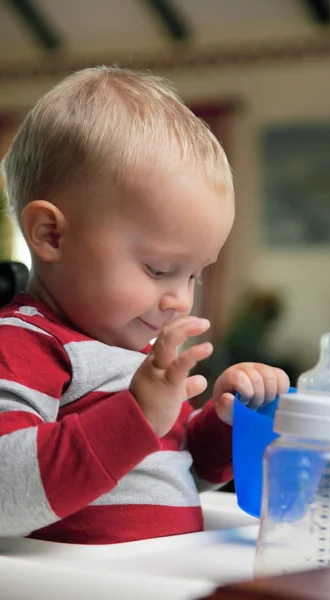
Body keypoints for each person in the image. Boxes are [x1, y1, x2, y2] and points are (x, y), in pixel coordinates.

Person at [0, 67, 289, 545]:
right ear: (51, 235)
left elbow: (168, 478)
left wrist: (221, 425)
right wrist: (135, 418)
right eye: (159, 269)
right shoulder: (24, 344)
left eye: (194, 274)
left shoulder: (138, 358)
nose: (180, 298)